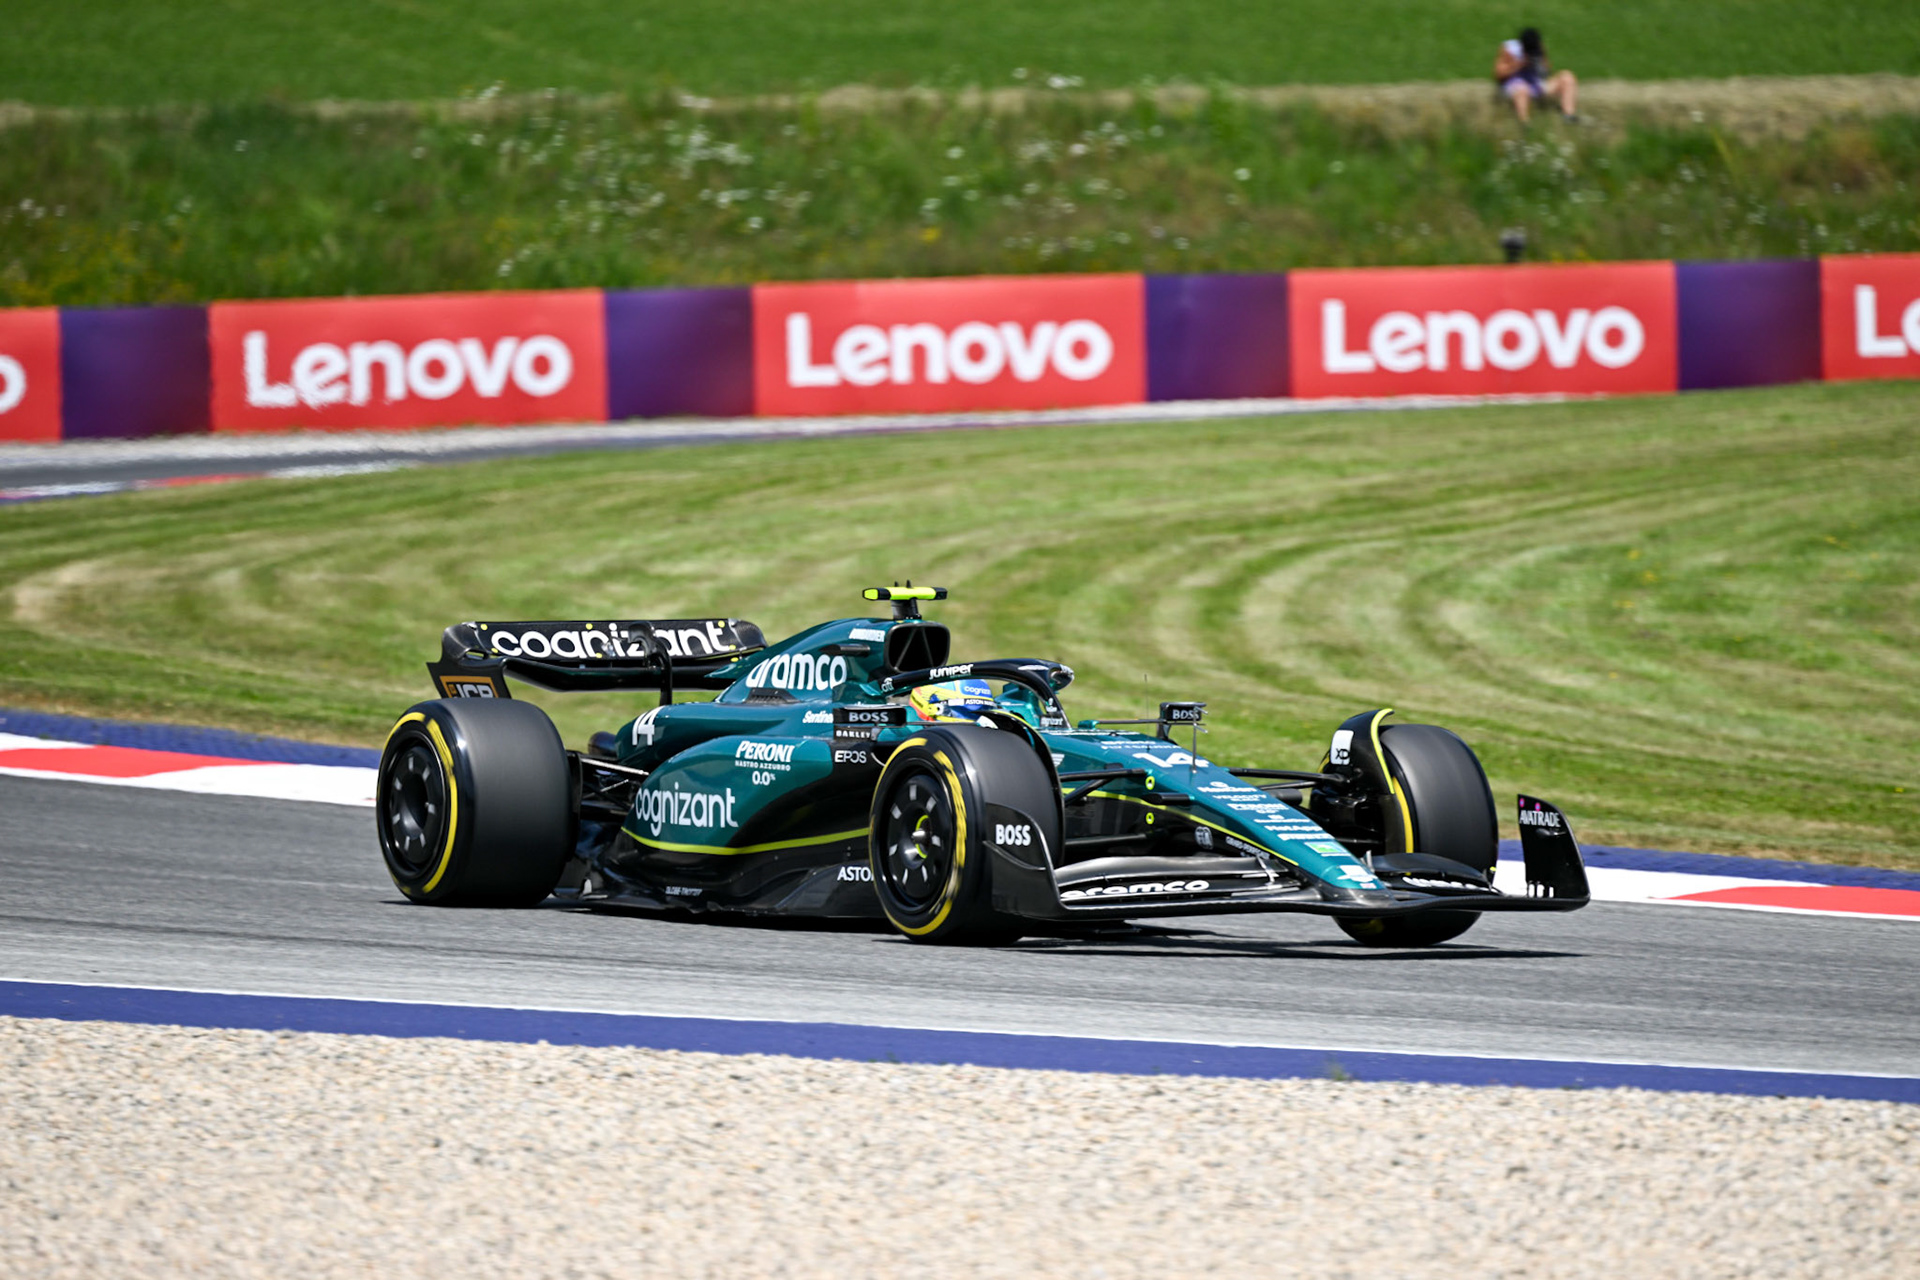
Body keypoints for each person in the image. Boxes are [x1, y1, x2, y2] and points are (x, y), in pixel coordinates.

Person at [1495, 27, 1578, 124]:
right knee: (1522, 90)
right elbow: (1498, 74)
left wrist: (1540, 66)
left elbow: (1547, 71)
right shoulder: (1509, 49)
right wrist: (1518, 65)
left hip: (1536, 84)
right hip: (1516, 85)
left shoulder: (1539, 48)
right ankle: (1524, 123)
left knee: (1567, 77)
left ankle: (1568, 115)